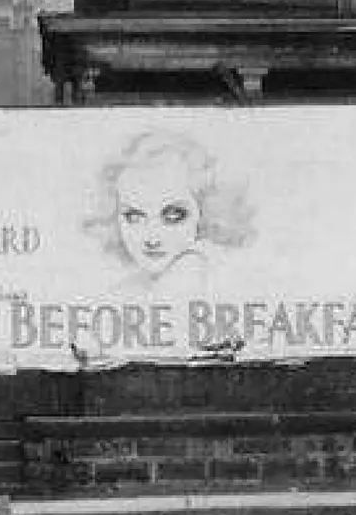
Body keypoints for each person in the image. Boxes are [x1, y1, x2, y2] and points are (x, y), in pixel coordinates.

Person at [75, 131, 256, 361]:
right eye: (134, 216)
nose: (151, 237)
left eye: (173, 216)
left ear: (204, 211)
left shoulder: (192, 265)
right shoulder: (131, 285)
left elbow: (156, 345)